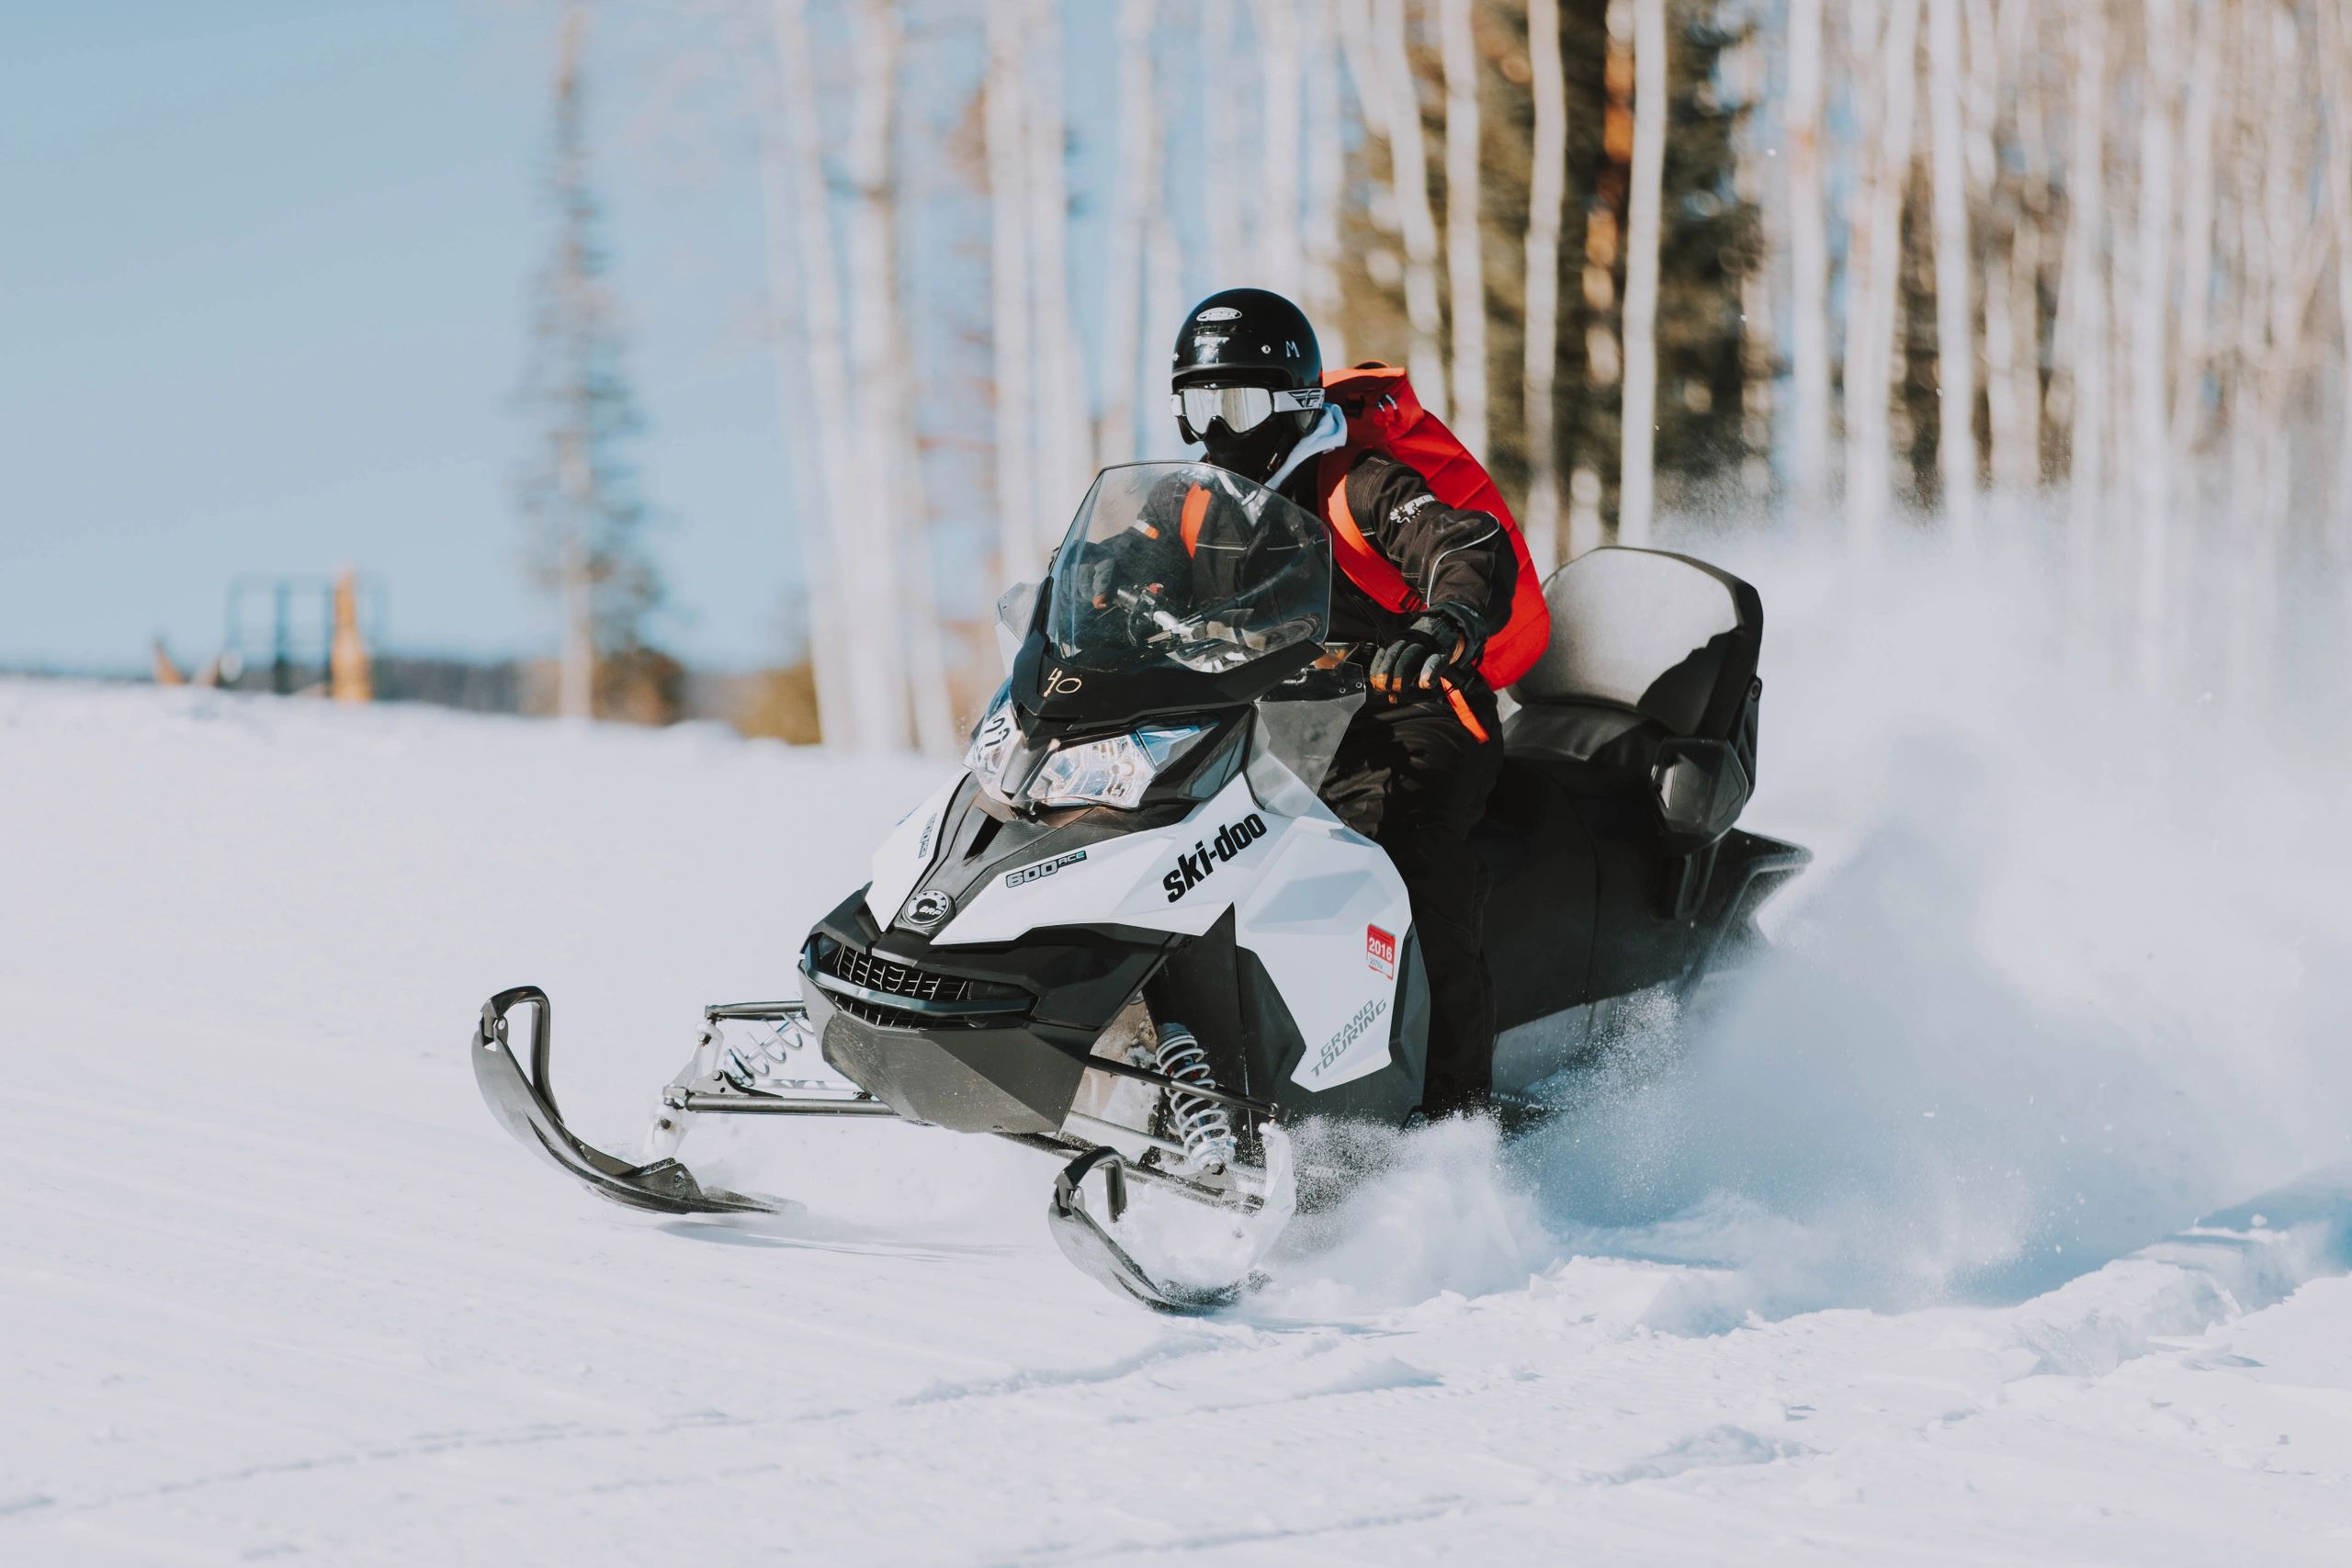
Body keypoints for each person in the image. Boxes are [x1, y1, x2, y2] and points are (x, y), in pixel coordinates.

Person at [1161, 287, 1518, 1118]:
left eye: (1236, 404)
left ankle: (1450, 1113)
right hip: (1279, 731)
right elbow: (1122, 565)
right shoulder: (1196, 506)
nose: (1216, 430)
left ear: (1289, 405)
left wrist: (1446, 618)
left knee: (1402, 862)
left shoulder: (1356, 481)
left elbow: (1458, 542)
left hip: (1414, 715)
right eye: (1197, 405)